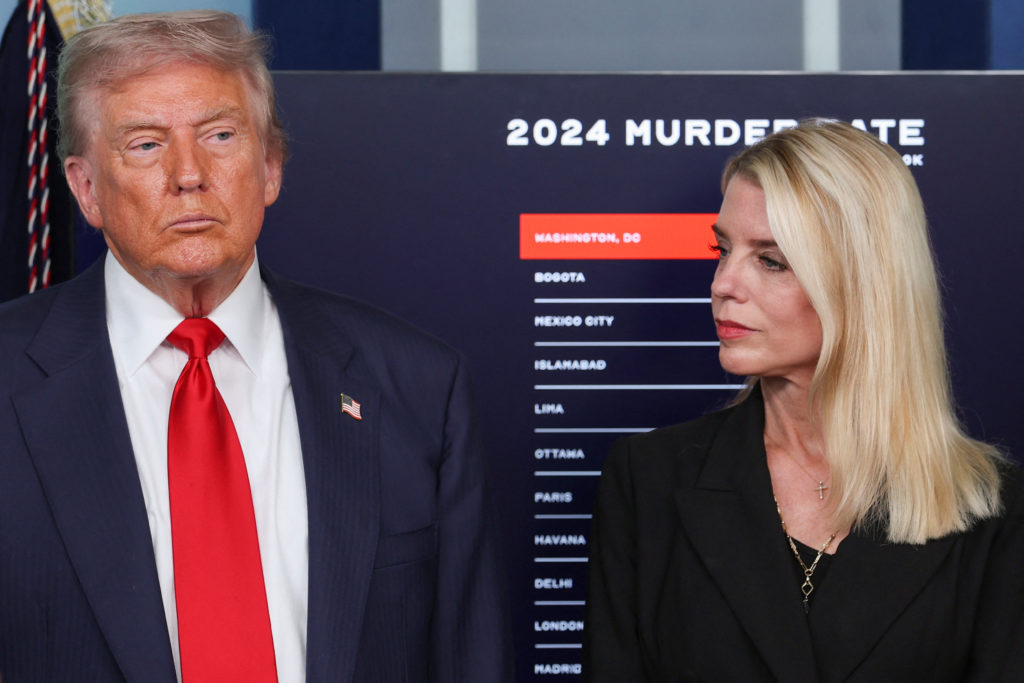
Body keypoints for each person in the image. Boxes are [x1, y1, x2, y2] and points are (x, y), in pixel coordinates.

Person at [0, 11, 511, 682]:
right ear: (86, 188)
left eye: (220, 135)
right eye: (147, 145)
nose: (190, 174)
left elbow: (465, 659)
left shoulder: (415, 385)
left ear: (269, 167)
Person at [583, 119, 1024, 681]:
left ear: (863, 285)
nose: (723, 284)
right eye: (722, 249)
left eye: (771, 260)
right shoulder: (647, 481)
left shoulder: (994, 510)